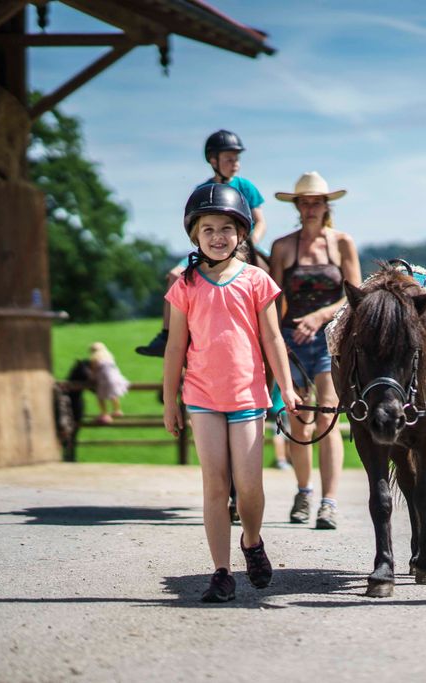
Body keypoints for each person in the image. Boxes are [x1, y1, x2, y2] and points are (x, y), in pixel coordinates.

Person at [162, 182, 300, 602]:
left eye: (226, 228)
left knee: (250, 484)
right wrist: (171, 400)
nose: (217, 236)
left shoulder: (257, 280)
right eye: (208, 229)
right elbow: (175, 347)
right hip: (202, 397)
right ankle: (221, 571)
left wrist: (289, 390)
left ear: (242, 233)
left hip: (246, 396)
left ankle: (252, 541)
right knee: (215, 485)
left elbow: (274, 339)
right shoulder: (185, 285)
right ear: (194, 236)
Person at [269, 171, 361, 530]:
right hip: (292, 342)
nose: (310, 208)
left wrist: (320, 316)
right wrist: (273, 339)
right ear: (297, 206)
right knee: (298, 421)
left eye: (316, 202)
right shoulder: (283, 246)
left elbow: (354, 293)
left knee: (328, 418)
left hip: (330, 339)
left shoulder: (341, 243)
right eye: (304, 202)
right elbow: (273, 298)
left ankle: (329, 501)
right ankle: (304, 491)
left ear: (326, 206)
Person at [137, 130, 269, 357]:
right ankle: (167, 333)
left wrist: (250, 242)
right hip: (213, 244)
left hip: (247, 242)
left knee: (274, 268)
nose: (235, 163)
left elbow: (260, 221)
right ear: (213, 160)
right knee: (174, 274)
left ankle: (278, 324)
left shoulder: (246, 187)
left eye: (236, 158)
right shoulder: (202, 191)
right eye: (229, 159)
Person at [88, 342, 130, 425]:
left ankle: (104, 414)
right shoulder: (109, 356)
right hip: (116, 377)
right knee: (113, 394)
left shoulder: (95, 358)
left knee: (100, 397)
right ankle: (117, 410)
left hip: (104, 379)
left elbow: (94, 370)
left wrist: (92, 378)